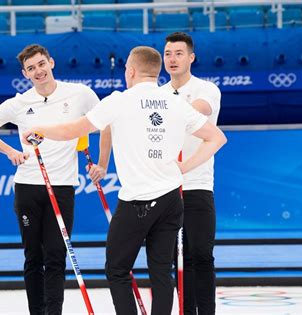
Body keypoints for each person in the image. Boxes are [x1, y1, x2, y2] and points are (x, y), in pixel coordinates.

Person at [22, 46, 227, 315]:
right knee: (162, 272)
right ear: (156, 70)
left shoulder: (119, 100)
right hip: (170, 200)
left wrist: (39, 130)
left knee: (117, 269)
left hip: (136, 203)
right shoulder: (176, 103)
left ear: (130, 71)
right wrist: (184, 168)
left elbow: (73, 130)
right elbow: (217, 138)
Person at [0, 44, 105, 314]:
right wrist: (10, 151)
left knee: (56, 256)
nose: (38, 71)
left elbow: (106, 123)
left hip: (62, 187)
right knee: (34, 257)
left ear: (51, 63)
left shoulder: (80, 94)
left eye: (41, 64)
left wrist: (102, 163)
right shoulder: (20, 102)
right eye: (31, 68)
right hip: (28, 187)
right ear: (25, 73)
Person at [161, 31, 222, 315]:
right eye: (168, 54)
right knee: (177, 260)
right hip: (167, 189)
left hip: (197, 186)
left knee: (200, 255)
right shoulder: (158, 95)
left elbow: (197, 111)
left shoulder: (205, 89)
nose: (172, 59)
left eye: (179, 54)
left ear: (191, 57)